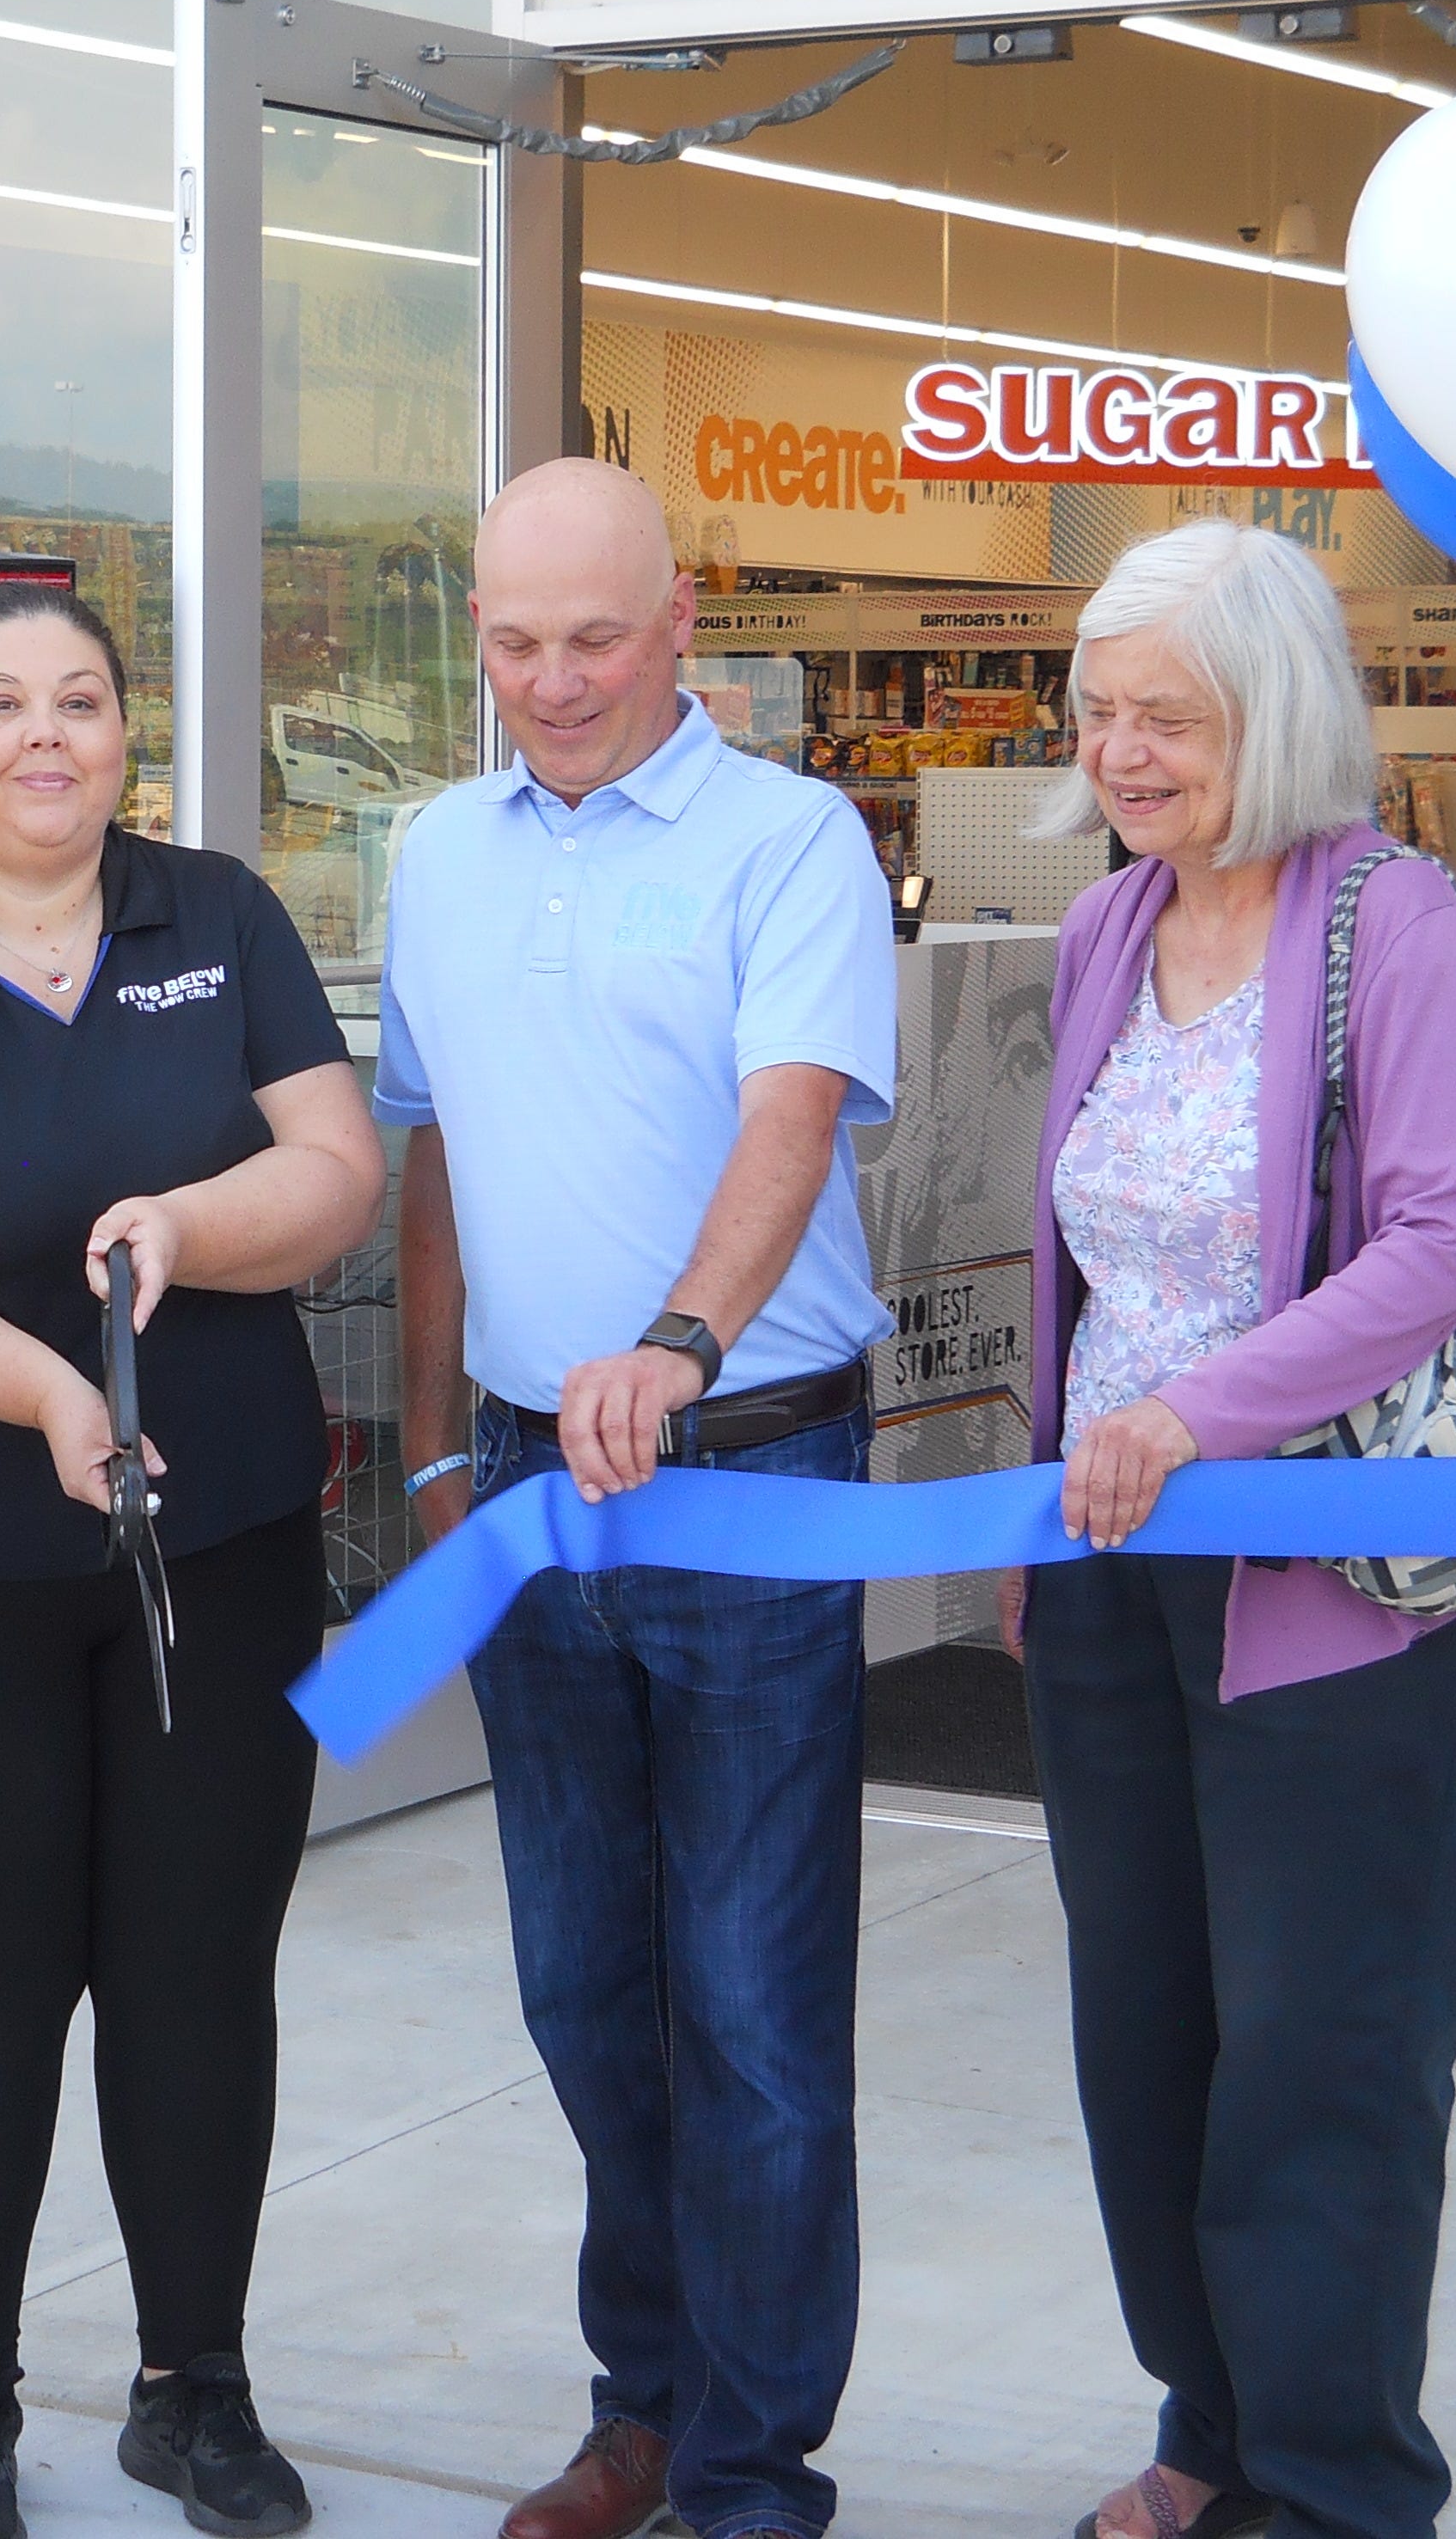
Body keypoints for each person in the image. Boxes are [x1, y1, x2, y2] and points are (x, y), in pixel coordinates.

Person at [0, 583, 383, 2539]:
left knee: (199, 1973)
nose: (48, 735)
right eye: (0, 704)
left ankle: (198, 2386)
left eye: (83, 701)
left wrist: (188, 1226)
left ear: (128, 735)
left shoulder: (224, 918)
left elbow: (338, 1175)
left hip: (226, 1545)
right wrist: (42, 1389)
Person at [382, 457, 896, 2539]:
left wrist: (677, 1343)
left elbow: (789, 1121)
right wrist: (430, 1437)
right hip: (522, 1495)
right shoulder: (434, 850)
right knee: (584, 1987)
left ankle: (757, 2474)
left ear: (682, 624)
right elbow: (424, 1151)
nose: (554, 681)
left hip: (748, 1476)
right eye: (514, 643)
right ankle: (649, 2410)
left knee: (757, 2014)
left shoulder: (794, 842)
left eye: (596, 639)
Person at [1002, 517, 1456, 2539]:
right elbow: (1081, 1251)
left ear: (1275, 709)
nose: (1120, 752)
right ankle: (1209, 2429)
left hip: (1333, 1581)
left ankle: (1334, 2485)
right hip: (1119, 1573)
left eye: (1166, 715)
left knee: (1324, 2056)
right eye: (1099, 712)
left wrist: (1186, 1412)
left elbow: (1441, 1235)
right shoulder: (1106, 928)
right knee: (1148, 2030)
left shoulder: (1392, 920)